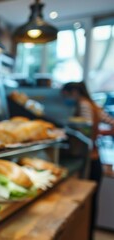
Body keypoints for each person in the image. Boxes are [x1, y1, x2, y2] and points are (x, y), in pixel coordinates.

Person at [61, 81, 114, 240]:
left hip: (88, 159)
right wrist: (99, 134)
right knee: (92, 202)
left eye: (66, 95)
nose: (66, 99)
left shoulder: (83, 105)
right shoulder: (94, 105)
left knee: (86, 204)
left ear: (74, 93)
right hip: (96, 157)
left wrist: (94, 134)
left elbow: (85, 130)